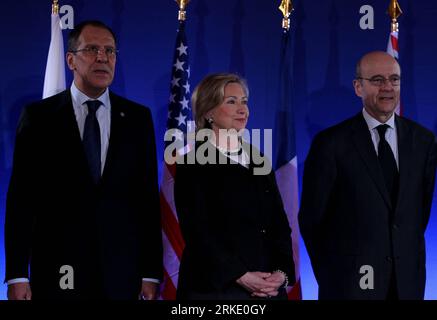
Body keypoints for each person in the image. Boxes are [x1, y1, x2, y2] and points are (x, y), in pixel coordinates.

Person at [4, 20, 163, 300]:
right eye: (91, 49)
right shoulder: (39, 118)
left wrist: (150, 272)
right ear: (71, 60)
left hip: (121, 273)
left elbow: (146, 201)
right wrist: (17, 274)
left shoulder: (138, 118)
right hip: (58, 269)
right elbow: (22, 199)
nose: (103, 57)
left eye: (110, 51)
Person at [299, 51, 437, 300]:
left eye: (394, 79)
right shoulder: (330, 144)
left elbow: (417, 215)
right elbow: (312, 220)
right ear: (358, 87)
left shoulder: (423, 141)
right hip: (349, 287)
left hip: (406, 285)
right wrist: (336, 276)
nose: (387, 87)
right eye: (377, 80)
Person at [173, 73, 295, 300]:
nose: (242, 109)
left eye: (244, 102)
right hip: (216, 290)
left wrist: (281, 273)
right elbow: (198, 232)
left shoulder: (258, 159)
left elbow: (279, 223)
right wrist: (240, 275)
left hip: (267, 290)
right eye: (231, 101)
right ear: (208, 111)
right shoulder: (193, 162)